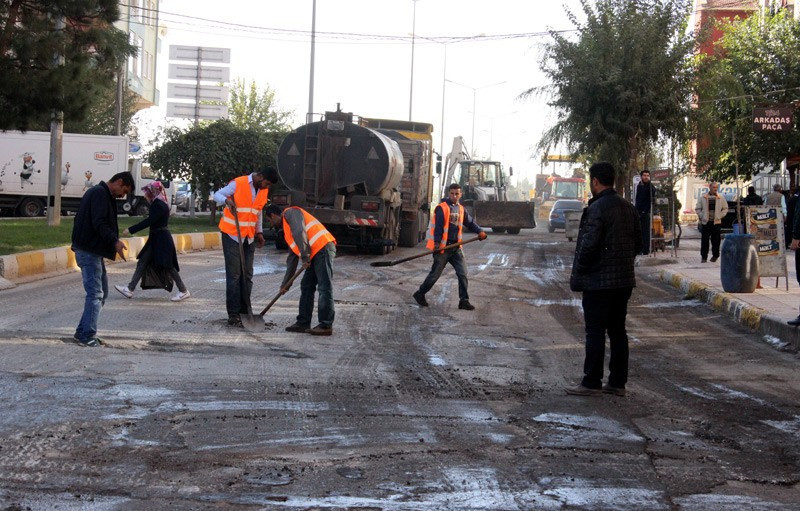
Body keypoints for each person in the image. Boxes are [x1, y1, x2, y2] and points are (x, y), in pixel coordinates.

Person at [565, 162, 642, 396]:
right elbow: (638, 244)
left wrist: (581, 270)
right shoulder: (629, 208)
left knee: (595, 332)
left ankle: (591, 382)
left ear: (595, 181)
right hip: (624, 281)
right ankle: (618, 383)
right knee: (618, 330)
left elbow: (589, 245)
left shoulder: (597, 208)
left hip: (598, 283)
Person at [71, 172, 134, 347]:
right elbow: (99, 223)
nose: (122, 196)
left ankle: (82, 331)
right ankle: (87, 335)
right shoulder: (99, 193)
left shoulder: (102, 193)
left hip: (93, 252)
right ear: (119, 182)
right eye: (123, 191)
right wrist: (114, 241)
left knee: (102, 293)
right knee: (95, 294)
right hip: (88, 252)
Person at [213, 167, 279, 327]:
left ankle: (245, 310)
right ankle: (233, 314)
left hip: (249, 237)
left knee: (247, 275)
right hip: (232, 234)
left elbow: (257, 213)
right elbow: (217, 194)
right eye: (267, 183)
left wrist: (260, 233)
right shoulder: (239, 183)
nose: (267, 187)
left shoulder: (262, 191)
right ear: (260, 176)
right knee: (234, 275)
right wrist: (227, 201)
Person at [412, 183, 488, 310]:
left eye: (457, 194)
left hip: (456, 248)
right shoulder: (442, 208)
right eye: (452, 193)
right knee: (434, 275)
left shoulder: (461, 209)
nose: (454, 196)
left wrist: (479, 231)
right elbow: (438, 228)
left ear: (460, 194)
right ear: (449, 194)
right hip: (443, 249)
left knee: (462, 273)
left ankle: (464, 301)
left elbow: (470, 223)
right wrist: (437, 244)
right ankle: (420, 294)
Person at [265, 205, 337, 336]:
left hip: (323, 248)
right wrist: (285, 285)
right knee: (306, 286)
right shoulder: (287, 231)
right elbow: (292, 259)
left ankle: (326, 324)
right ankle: (303, 323)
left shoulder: (291, 213)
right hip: (313, 254)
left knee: (324, 286)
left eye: (270, 221)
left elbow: (300, 231)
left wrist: (305, 257)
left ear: (274, 215)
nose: (271, 224)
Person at [114, 181, 190, 302]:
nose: (145, 195)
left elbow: (149, 221)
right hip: (157, 238)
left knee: (168, 265)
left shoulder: (158, 205)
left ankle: (183, 290)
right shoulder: (159, 203)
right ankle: (129, 288)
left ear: (153, 192)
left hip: (161, 239)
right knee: (143, 261)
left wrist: (131, 229)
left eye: (147, 192)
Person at [695, 182, 728, 263]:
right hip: (706, 222)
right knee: (705, 241)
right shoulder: (703, 197)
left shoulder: (721, 198)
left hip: (716, 222)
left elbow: (725, 208)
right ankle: (704, 257)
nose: (715, 189)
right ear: (710, 187)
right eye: (714, 187)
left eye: (716, 187)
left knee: (716, 241)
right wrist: (702, 215)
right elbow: (698, 208)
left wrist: (720, 216)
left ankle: (715, 255)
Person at [634, 170, 655, 255]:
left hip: (645, 213)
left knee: (645, 232)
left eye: (647, 175)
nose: (646, 177)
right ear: (641, 176)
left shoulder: (650, 187)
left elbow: (650, 201)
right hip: (638, 212)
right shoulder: (639, 185)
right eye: (644, 175)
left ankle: (645, 250)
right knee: (639, 232)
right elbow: (638, 200)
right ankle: (640, 249)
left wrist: (644, 211)